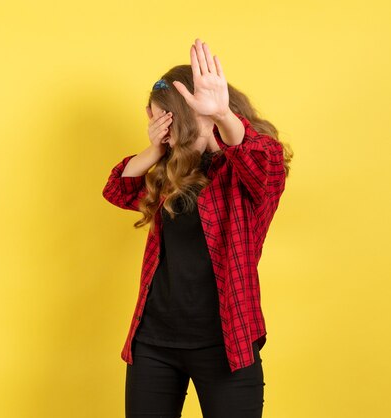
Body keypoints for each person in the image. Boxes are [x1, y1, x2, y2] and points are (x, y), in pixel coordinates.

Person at [101, 38, 293, 418]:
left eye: (167, 118)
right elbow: (117, 189)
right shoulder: (170, 169)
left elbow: (265, 163)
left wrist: (222, 116)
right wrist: (154, 149)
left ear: (192, 114)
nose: (160, 128)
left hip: (227, 344)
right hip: (153, 342)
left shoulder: (245, 173)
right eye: (154, 119)